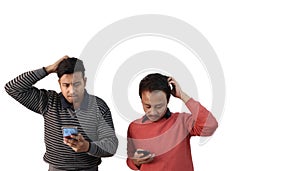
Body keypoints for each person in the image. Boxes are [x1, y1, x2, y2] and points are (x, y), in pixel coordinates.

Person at [5, 56, 118, 171]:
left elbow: (111, 146)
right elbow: (12, 88)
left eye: (77, 84)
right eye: (66, 85)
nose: (72, 91)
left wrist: (87, 147)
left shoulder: (98, 106)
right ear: (59, 83)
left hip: (88, 168)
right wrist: (48, 69)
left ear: (85, 81)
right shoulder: (48, 102)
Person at [126, 73, 218, 171]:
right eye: (147, 106)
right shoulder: (134, 127)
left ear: (168, 100)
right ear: (141, 101)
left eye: (159, 106)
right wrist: (135, 160)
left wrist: (182, 95)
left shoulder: (182, 121)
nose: (153, 112)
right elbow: (131, 161)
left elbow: (210, 125)